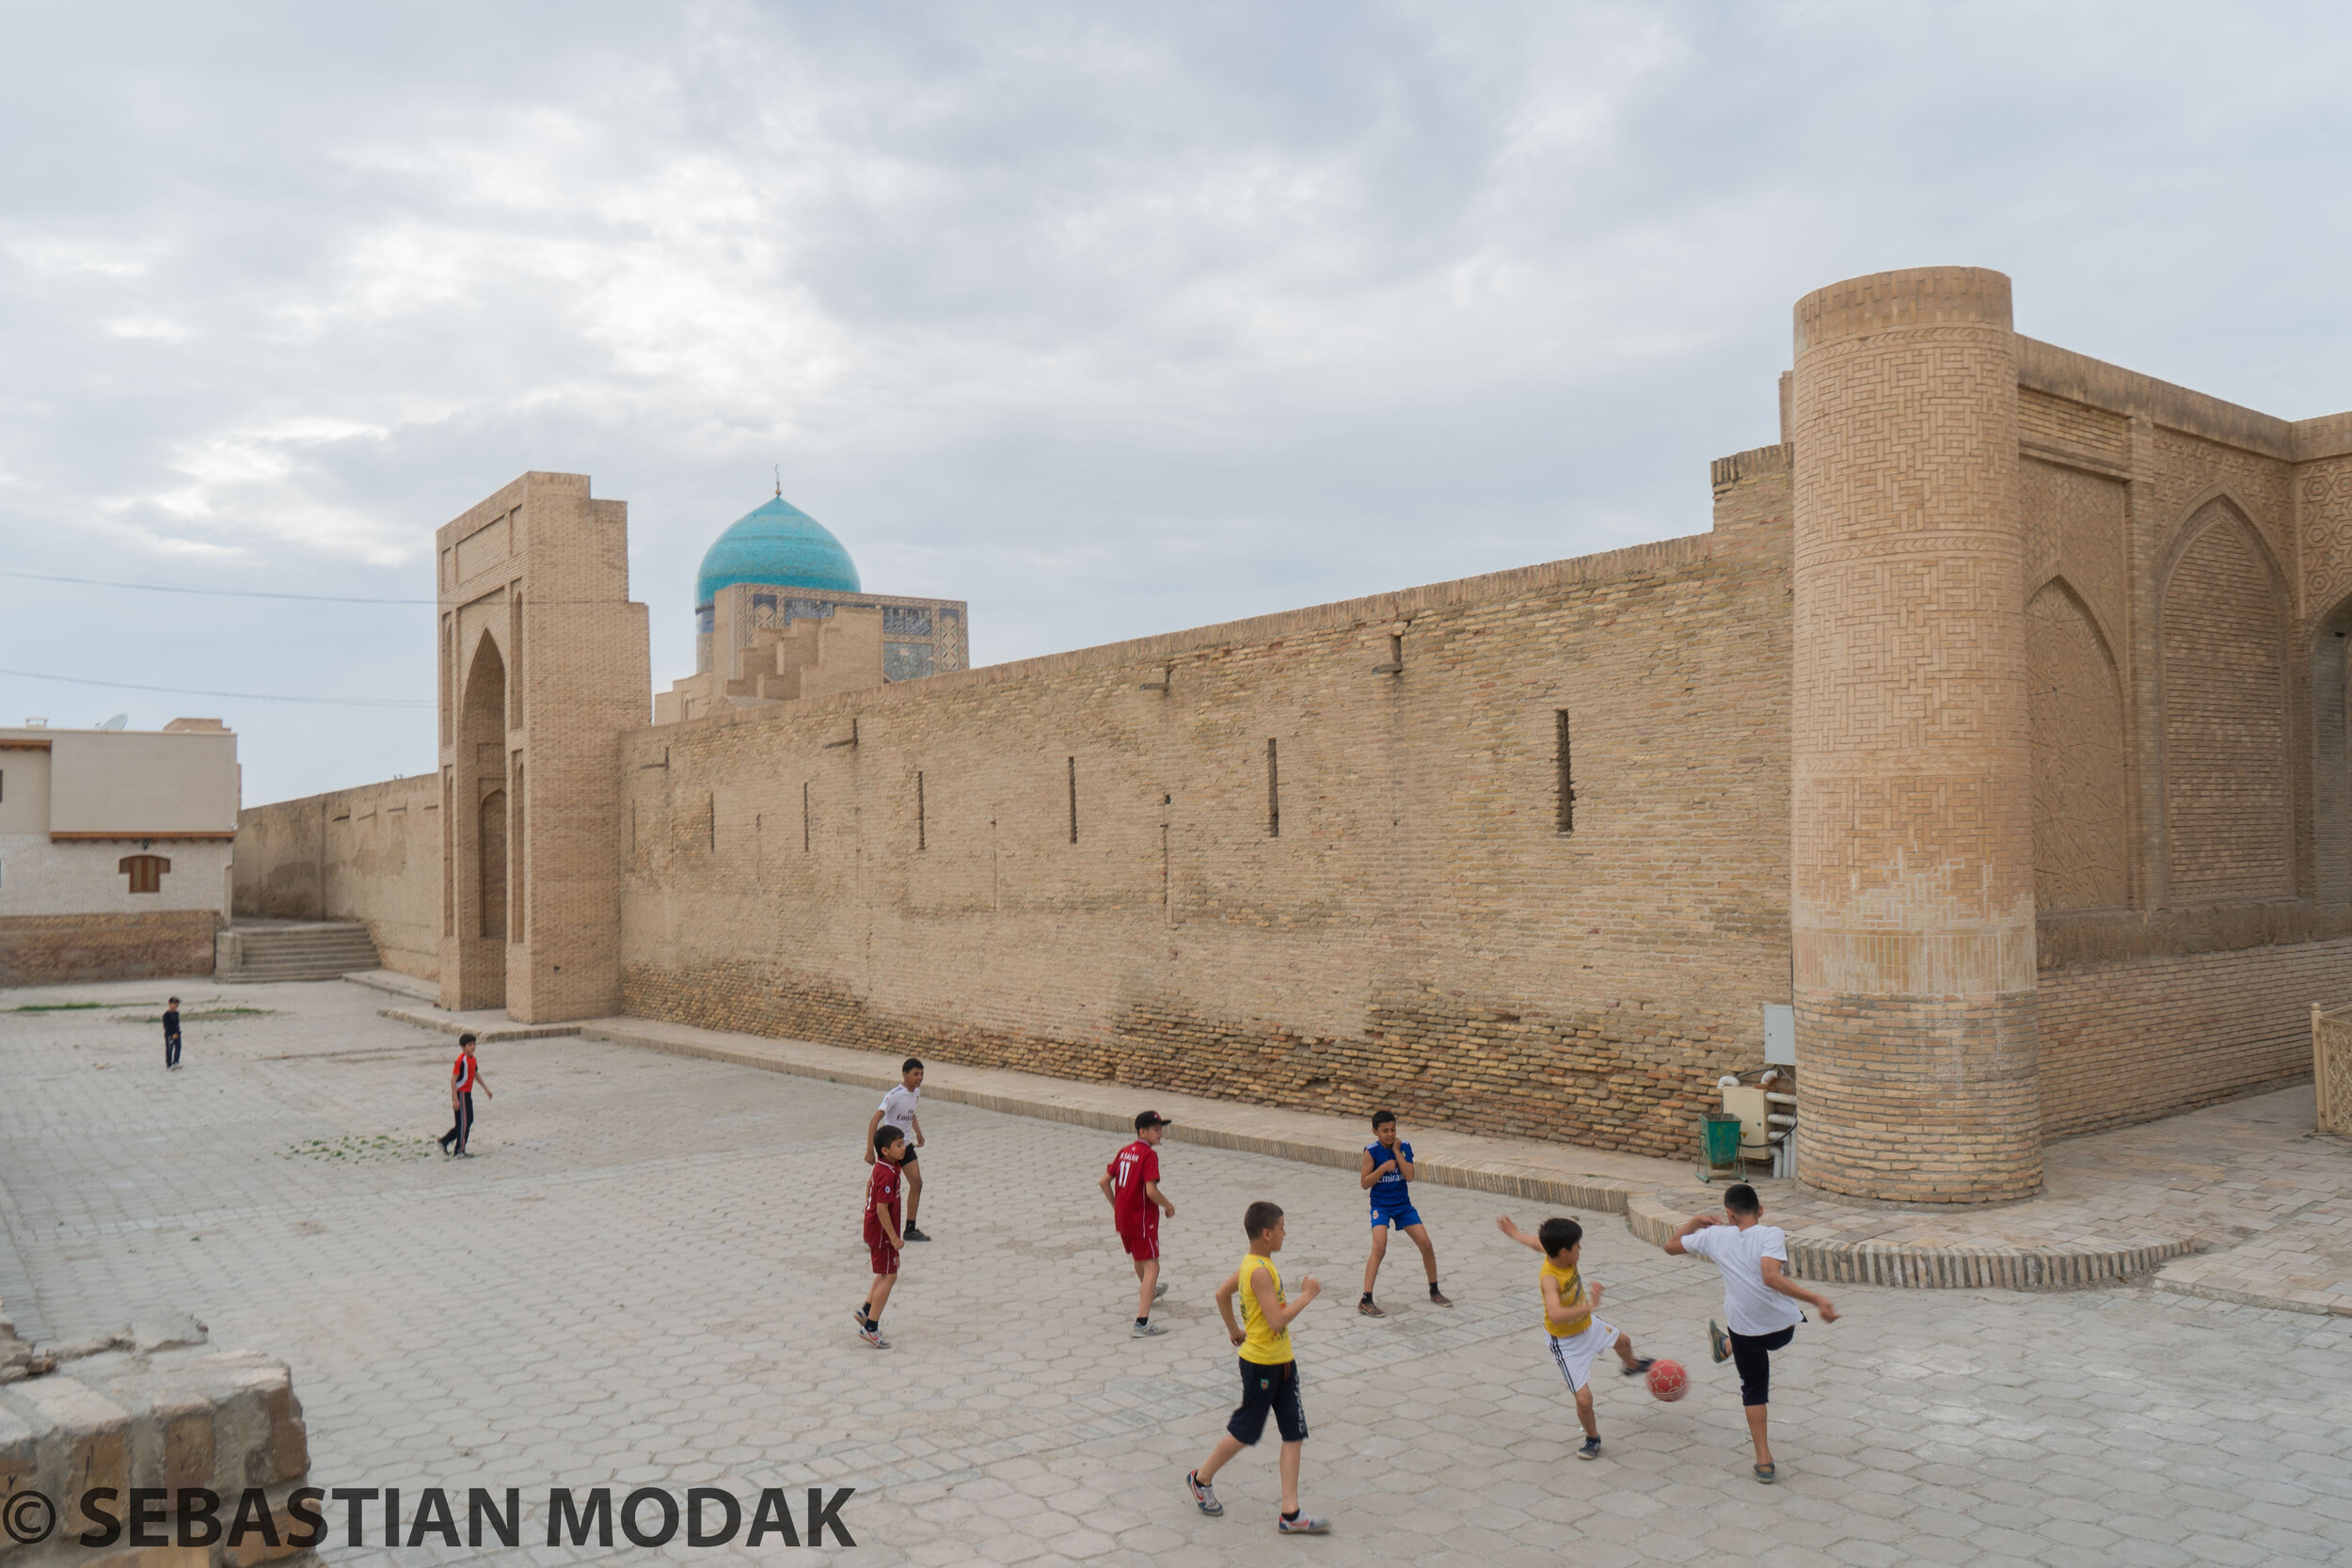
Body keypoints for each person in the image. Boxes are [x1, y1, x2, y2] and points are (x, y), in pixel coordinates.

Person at [1663, 1181, 1840, 1483]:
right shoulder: (1771, 1233)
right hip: (1781, 1329)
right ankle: (1726, 1345)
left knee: (1754, 1387)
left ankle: (1764, 1461)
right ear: (1760, 1210)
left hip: (1744, 1329)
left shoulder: (1713, 1236)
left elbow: (1670, 1247)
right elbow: (1770, 1276)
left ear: (1729, 1214)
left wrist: (1694, 1222)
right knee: (1765, 1346)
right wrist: (1817, 1299)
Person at [1184, 1201, 1329, 1535]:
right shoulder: (1260, 1271)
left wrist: (1234, 1329)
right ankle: (1200, 1478)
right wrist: (1306, 1296)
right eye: (1281, 1227)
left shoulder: (1254, 1263)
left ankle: (1290, 1513)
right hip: (1261, 1365)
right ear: (1266, 1234)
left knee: (1294, 1431)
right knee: (1246, 1431)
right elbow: (1277, 1319)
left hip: (1283, 1363)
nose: (1284, 1233)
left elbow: (1222, 1294)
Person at [1496, 1213, 1653, 1459]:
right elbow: (1557, 1314)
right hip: (1566, 1342)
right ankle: (1592, 1438)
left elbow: (1538, 1243)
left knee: (1624, 1342)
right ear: (1563, 1252)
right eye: (1577, 1245)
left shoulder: (1555, 1253)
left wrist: (1515, 1233)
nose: (1580, 1249)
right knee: (1584, 1399)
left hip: (1588, 1326)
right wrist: (1591, 1305)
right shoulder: (1549, 1278)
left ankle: (1632, 1365)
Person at [1358, 1110, 1449, 1315]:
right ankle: (1366, 1299)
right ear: (1375, 1132)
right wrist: (1382, 1169)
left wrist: (1398, 1154)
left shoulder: (1404, 1147)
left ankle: (1434, 1290)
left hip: (1403, 1206)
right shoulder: (1371, 1152)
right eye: (1385, 1131)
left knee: (1426, 1244)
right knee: (1379, 1248)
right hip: (1380, 1206)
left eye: (1393, 1129)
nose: (1390, 1134)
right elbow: (1364, 1183)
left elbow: (1409, 1176)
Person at [1100, 1111, 1176, 1336]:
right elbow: (1151, 1190)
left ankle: (1150, 1290)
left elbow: (1104, 1181)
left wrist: (1117, 1207)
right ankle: (1142, 1323)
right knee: (1153, 1264)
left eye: (1161, 1128)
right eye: (1156, 1129)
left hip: (1124, 1217)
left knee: (1140, 1259)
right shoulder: (1148, 1156)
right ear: (1142, 1132)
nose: (1160, 1133)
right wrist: (1168, 1205)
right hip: (1142, 1219)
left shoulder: (1125, 1152)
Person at [855, 1126, 910, 1349]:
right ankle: (871, 1327)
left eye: (903, 1143)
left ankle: (867, 1309)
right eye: (898, 1145)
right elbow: (881, 1209)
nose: (903, 1148)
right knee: (890, 1275)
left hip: (876, 1231)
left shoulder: (885, 1167)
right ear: (885, 1150)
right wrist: (894, 1237)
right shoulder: (887, 1173)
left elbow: (870, 1186)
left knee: (884, 1272)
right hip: (882, 1233)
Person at [864, 1059, 930, 1242]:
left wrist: (918, 1132)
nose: (920, 1078)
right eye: (916, 1074)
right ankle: (872, 1231)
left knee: (917, 1183)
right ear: (905, 1074)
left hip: (906, 1147)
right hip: (891, 1151)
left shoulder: (916, 1093)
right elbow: (874, 1121)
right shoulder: (894, 1095)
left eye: (922, 1074)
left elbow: (911, 1113)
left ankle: (910, 1228)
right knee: (880, 1191)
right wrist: (870, 1150)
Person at [437, 1034, 490, 1157]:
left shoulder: (473, 1059)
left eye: (474, 1044)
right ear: (463, 1047)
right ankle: (459, 1150)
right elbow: (453, 1080)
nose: (473, 1047)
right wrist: (455, 1099)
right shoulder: (461, 1060)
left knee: (467, 1121)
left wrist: (486, 1089)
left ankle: (444, 1141)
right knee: (464, 1122)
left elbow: (475, 1074)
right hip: (461, 1094)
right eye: (470, 1045)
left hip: (467, 1094)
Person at [163, 996, 183, 1070]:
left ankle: (176, 1062)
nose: (176, 1006)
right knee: (169, 1049)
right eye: (174, 1004)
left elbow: (177, 1024)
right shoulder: (166, 1015)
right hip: (169, 1035)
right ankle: (169, 1064)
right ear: (170, 1004)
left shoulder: (176, 1014)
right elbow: (167, 1026)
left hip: (177, 1034)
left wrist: (177, 1033)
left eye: (177, 1004)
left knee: (178, 1047)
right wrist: (172, 1034)